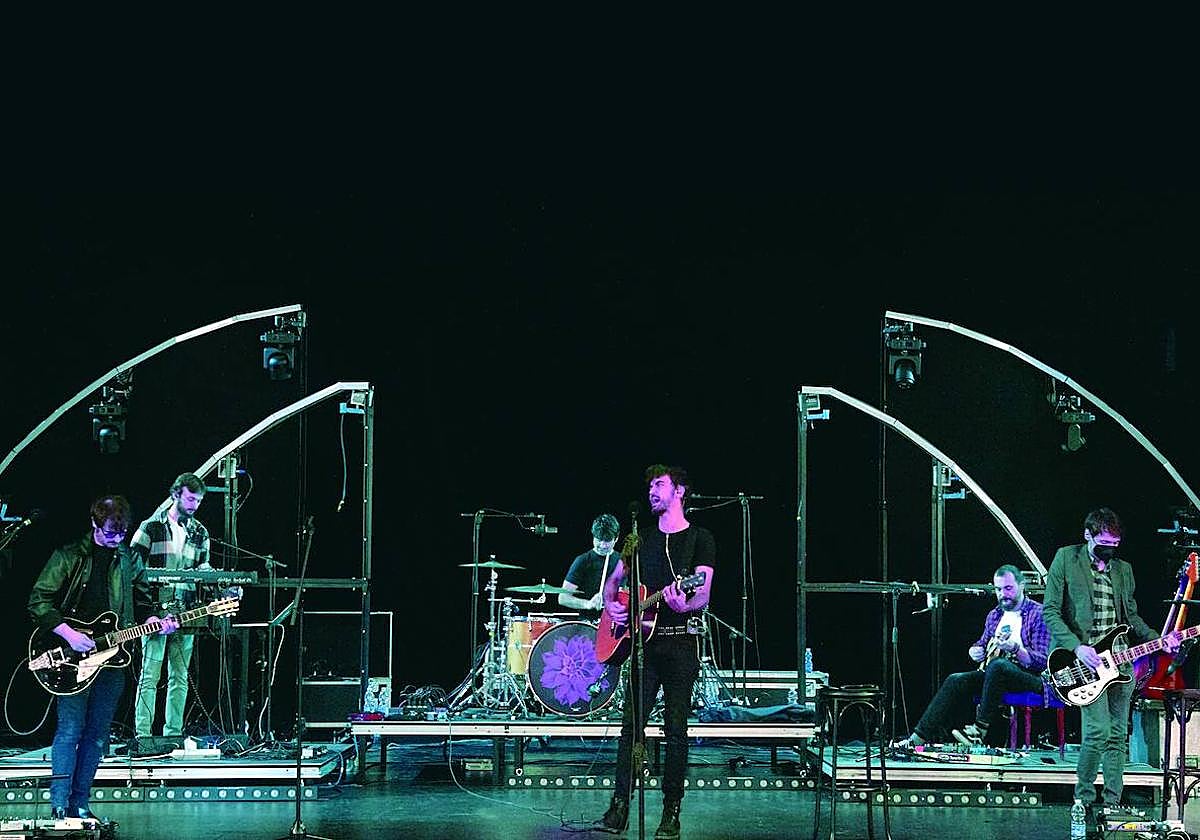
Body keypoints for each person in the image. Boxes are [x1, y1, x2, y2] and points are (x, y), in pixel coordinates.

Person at [28, 494, 179, 821]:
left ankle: (80, 804)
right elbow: (39, 600)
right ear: (94, 524)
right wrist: (69, 634)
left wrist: (156, 619)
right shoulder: (70, 555)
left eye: (122, 533)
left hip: (111, 659)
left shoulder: (128, 559)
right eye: (110, 533)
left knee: (97, 736)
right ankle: (59, 805)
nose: (116, 539)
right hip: (71, 657)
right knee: (70, 730)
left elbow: (143, 602)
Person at [598, 465, 715, 840]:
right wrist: (611, 605)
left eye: (660, 484)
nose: (651, 490)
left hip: (680, 644)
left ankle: (671, 812)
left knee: (676, 730)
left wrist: (685, 603)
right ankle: (619, 804)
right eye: (649, 485)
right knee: (631, 729)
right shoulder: (639, 538)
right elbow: (612, 583)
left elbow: (703, 592)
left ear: (680, 491)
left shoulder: (700, 538)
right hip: (642, 647)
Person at [1043, 507, 1179, 816]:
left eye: (1114, 545)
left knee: (1118, 735)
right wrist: (1077, 648)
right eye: (1103, 543)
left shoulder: (1123, 570)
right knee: (1098, 731)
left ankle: (1112, 804)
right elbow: (1050, 611)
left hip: (1119, 662)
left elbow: (1131, 618)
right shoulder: (1066, 558)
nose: (1109, 550)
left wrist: (1159, 639)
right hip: (1083, 661)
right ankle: (1083, 799)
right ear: (1087, 535)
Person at [894, 564, 1050, 749]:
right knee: (955, 679)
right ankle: (917, 739)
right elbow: (982, 643)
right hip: (996, 676)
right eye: (998, 589)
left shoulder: (1038, 613)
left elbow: (1042, 661)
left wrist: (1016, 649)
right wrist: (975, 650)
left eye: (1008, 588)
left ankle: (978, 731)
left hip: (1029, 677)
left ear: (1022, 586)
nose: (1003, 594)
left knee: (998, 665)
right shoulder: (995, 615)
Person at [130, 472, 211, 743]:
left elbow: (203, 568)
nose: (194, 505)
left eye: (198, 501)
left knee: (180, 676)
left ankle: (173, 734)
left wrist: (223, 584)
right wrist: (147, 611)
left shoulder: (200, 532)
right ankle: (143, 735)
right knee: (150, 675)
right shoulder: (151, 527)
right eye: (190, 499)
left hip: (185, 611)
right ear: (176, 494)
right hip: (155, 611)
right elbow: (132, 568)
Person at [557, 513, 621, 620]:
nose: (602, 545)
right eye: (599, 540)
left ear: (616, 538)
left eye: (607, 541)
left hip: (617, 623)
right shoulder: (583, 561)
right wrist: (588, 604)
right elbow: (563, 598)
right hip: (588, 623)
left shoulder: (623, 561)